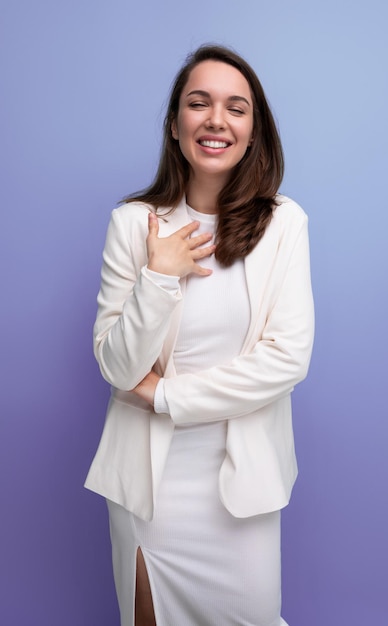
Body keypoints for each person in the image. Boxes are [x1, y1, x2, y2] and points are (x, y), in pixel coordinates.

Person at [85, 44, 314, 626]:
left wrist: (165, 396)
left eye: (236, 108)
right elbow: (116, 365)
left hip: (241, 491)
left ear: (253, 130)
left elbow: (286, 360)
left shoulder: (284, 223)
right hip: (148, 488)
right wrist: (159, 275)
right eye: (199, 103)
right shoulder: (134, 223)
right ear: (174, 123)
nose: (217, 120)